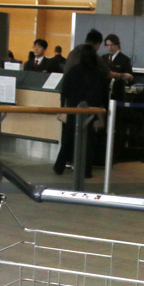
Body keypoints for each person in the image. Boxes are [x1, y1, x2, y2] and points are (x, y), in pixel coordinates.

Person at [53, 39, 108, 178]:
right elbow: (104, 94)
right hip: (91, 111)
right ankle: (86, 170)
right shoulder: (98, 73)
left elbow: (64, 90)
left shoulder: (73, 71)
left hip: (74, 110)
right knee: (88, 141)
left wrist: (65, 106)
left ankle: (59, 166)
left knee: (68, 138)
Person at [104, 33, 133, 101]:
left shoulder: (124, 59)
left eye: (112, 45)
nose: (110, 47)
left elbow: (130, 76)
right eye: (107, 45)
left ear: (117, 45)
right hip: (104, 92)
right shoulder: (103, 58)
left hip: (117, 93)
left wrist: (129, 77)